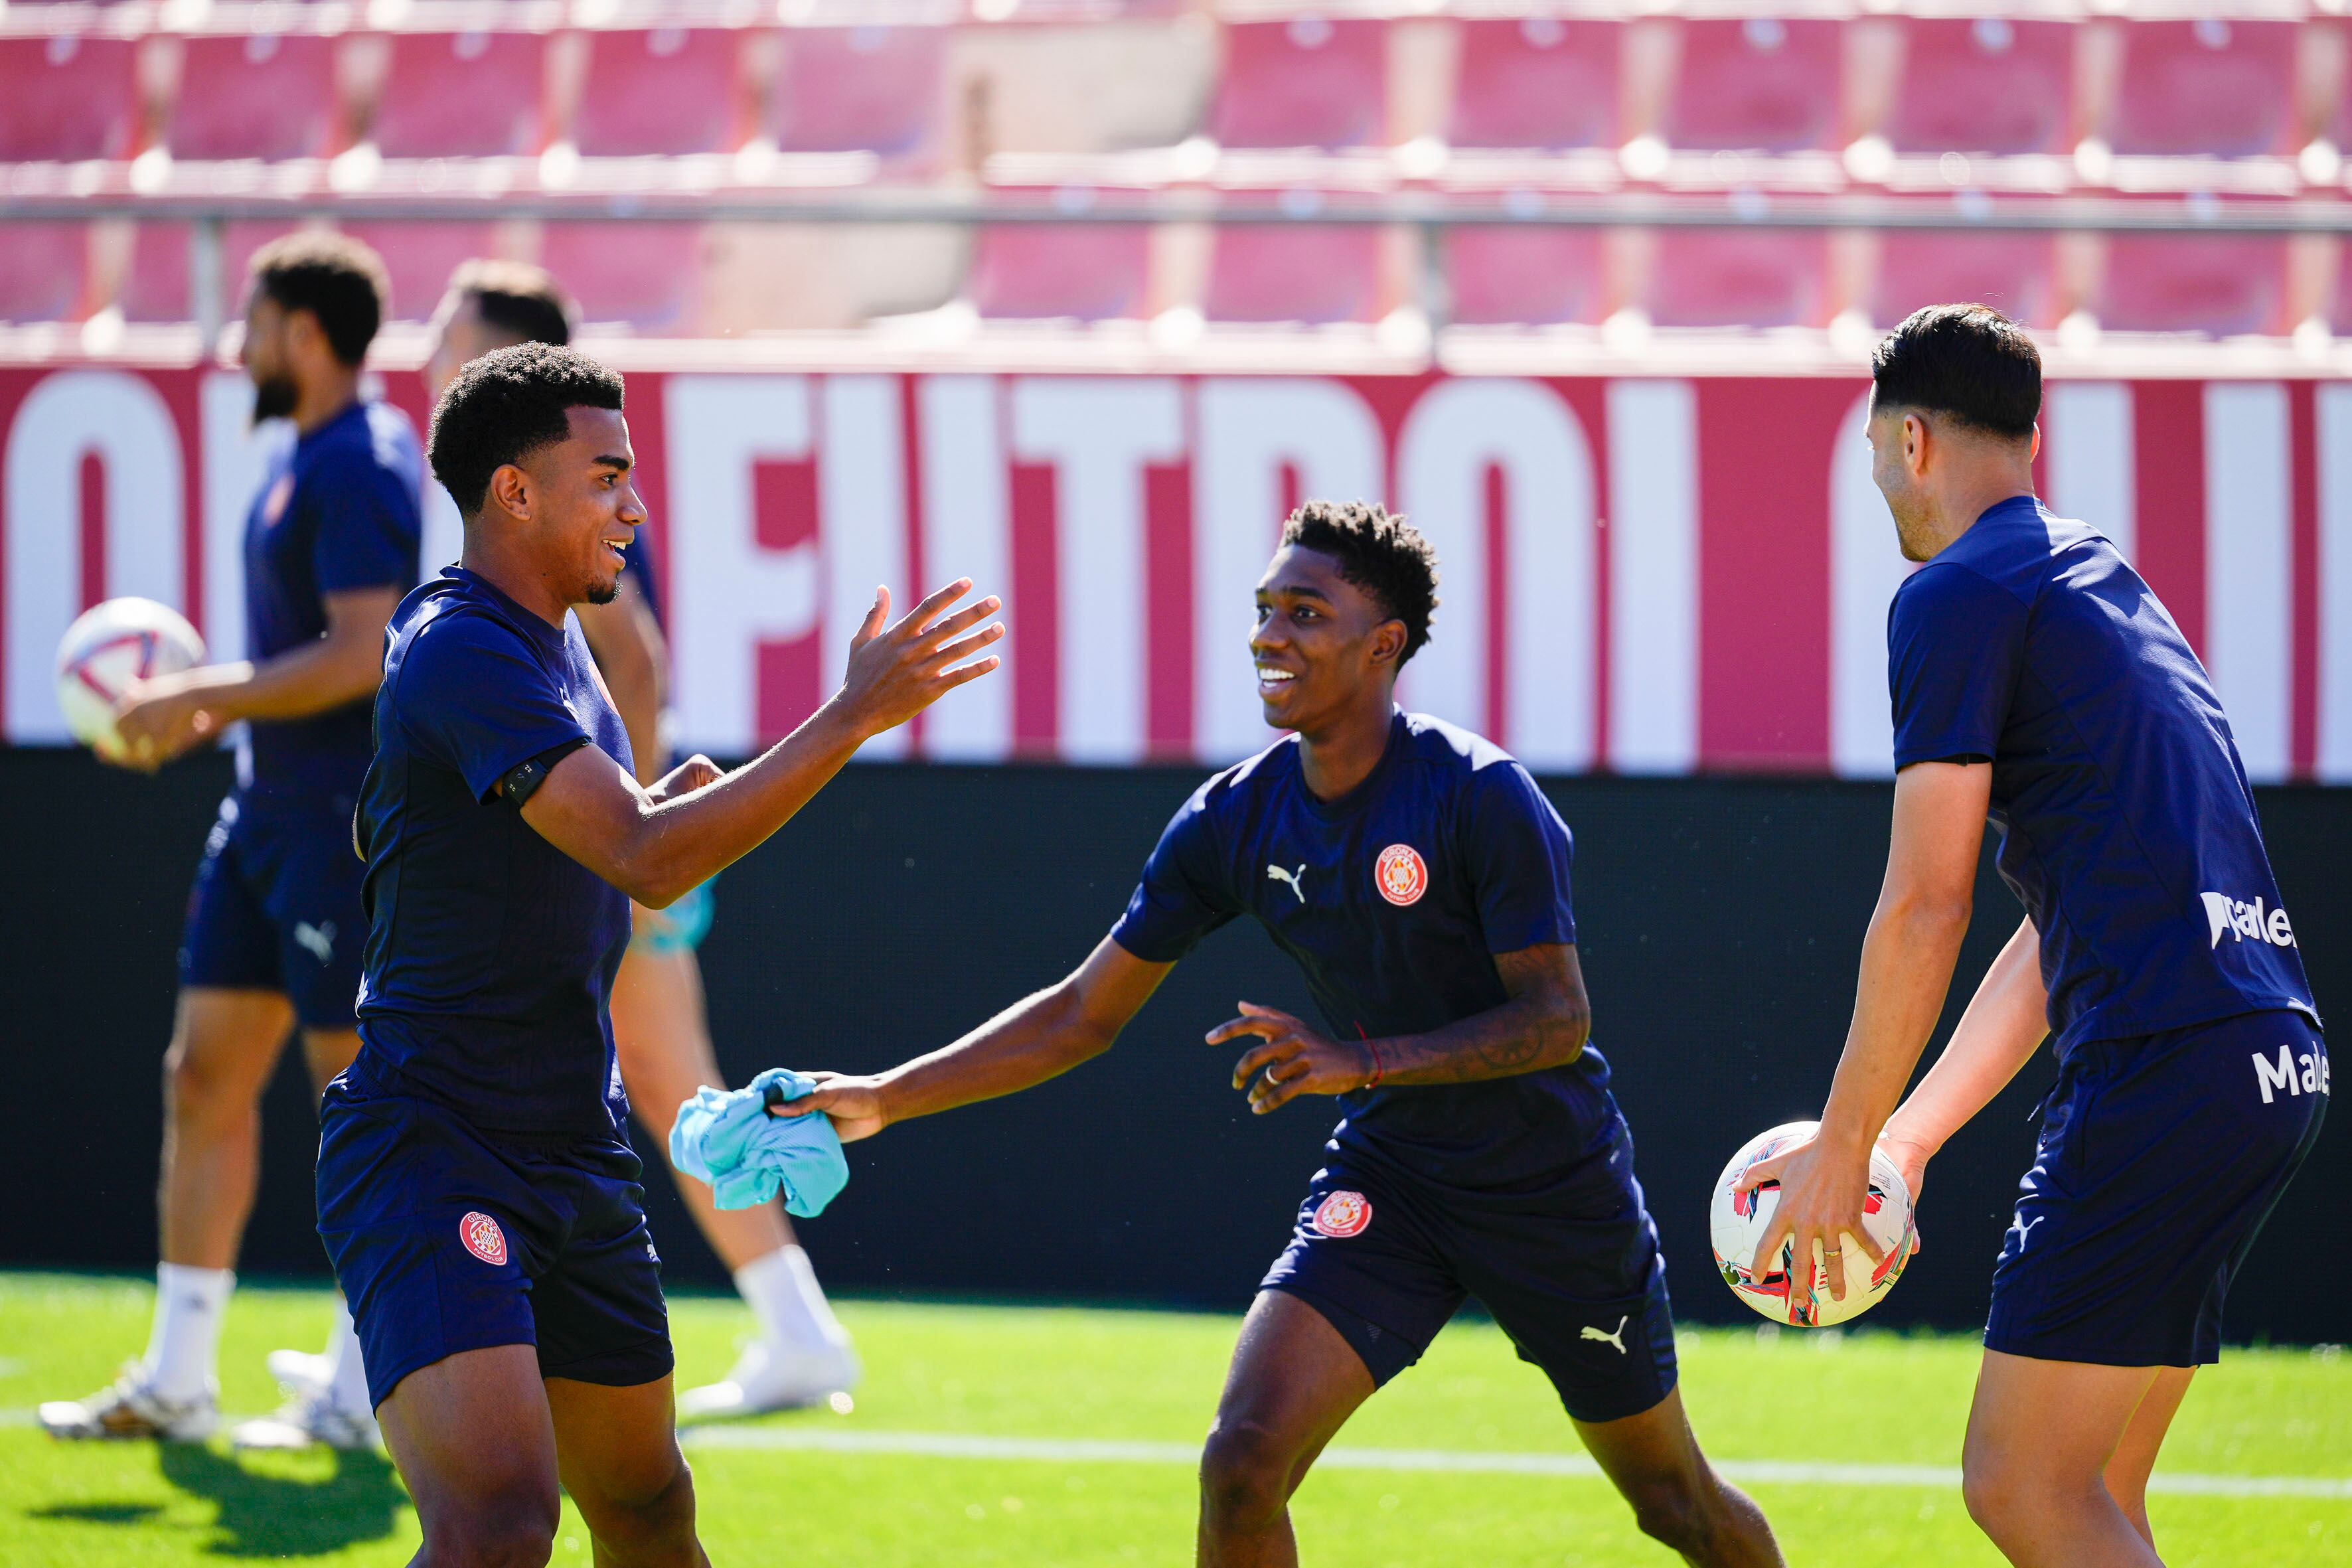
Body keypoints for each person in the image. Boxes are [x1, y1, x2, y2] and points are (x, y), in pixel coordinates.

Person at [783, 501, 1783, 1568]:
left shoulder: (1483, 796)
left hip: (1551, 1190)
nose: (1269, 635)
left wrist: (1360, 1061)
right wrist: (885, 1095)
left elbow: (1557, 1021)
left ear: (1383, 643)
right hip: (1395, 1179)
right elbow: (1084, 1012)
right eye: (1264, 610)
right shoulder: (1232, 818)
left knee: (1674, 1503)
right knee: (1243, 1462)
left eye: (1305, 611)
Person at [317, 341, 998, 1565]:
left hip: (573, 1145)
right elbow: (642, 854)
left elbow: (598, 829)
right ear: (514, 493)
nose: (636, 505)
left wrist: (661, 796)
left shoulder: (555, 639)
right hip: (436, 1141)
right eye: (607, 476)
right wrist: (849, 716)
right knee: (498, 1525)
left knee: (647, 1509)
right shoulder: (462, 641)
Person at [1740, 305, 2327, 1568]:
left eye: (1872, 451)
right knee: (2097, 1489)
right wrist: (1905, 1135)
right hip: (2266, 1059)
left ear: (1909, 440)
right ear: (2032, 435)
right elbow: (2056, 932)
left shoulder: (1952, 593)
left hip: (2168, 1065)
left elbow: (1925, 904)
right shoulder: (2103, 576)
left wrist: (1842, 1147)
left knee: (2019, 1487)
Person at [280, 258, 858, 1419]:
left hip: (568, 1024)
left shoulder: (552, 601)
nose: (435, 345)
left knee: (654, 1077)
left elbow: (634, 695)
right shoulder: (484, 620)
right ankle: (371, 1366)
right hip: (467, 1099)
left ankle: (795, 1324)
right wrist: (644, 817)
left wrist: (639, 815)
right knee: (647, 1079)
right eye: (613, 478)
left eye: (461, 335)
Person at [39, 233, 422, 1450]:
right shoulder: (302, 456)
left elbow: (365, 653)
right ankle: (178, 1375)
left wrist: (199, 695)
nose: (237, 343)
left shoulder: (358, 464)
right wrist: (214, 705)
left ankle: (370, 1386)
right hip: (263, 813)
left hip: (331, 821)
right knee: (200, 1076)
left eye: (253, 320)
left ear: (306, 333)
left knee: (352, 1099)